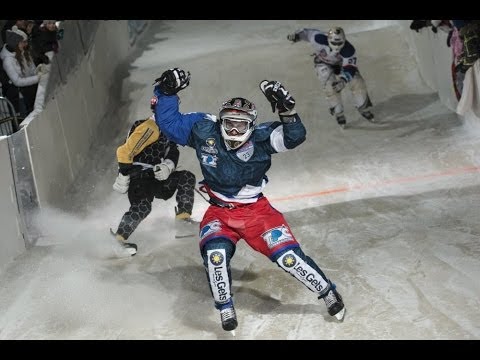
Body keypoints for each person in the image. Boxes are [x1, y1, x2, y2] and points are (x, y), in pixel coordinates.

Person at [151, 68, 346, 332]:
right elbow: (170, 124)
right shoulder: (203, 130)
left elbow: (295, 137)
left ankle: (327, 291)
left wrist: (287, 112)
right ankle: (225, 305)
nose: (233, 129)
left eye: (240, 124)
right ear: (219, 122)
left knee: (289, 258)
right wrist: (166, 92)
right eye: (228, 122)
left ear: (252, 126)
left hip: (258, 214)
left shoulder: (263, 138)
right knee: (215, 256)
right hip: (219, 213)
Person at [111, 112, 198, 256]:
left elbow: (172, 153)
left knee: (186, 177)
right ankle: (118, 239)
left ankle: (183, 219)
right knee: (142, 206)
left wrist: (167, 167)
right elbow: (124, 151)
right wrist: (124, 174)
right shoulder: (149, 127)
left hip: (156, 179)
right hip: (139, 178)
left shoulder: (169, 133)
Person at [287, 27, 374, 128]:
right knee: (330, 86)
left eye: (339, 43)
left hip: (342, 64)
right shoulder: (318, 38)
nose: (337, 46)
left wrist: (343, 80)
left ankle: (362, 107)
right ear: (328, 39)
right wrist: (297, 36)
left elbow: (350, 67)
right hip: (323, 63)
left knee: (357, 81)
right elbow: (306, 33)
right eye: (334, 43)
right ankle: (338, 112)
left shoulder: (349, 50)